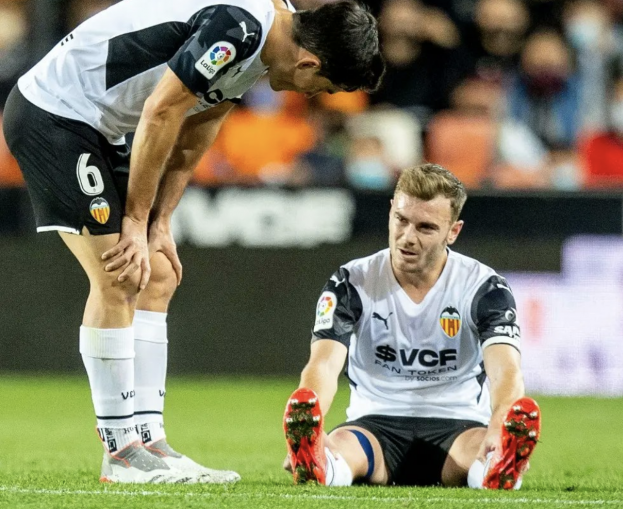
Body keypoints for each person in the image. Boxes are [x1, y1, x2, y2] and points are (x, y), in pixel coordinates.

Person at [2, 0, 384, 485]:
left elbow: (196, 129)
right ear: (309, 62)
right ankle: (121, 453)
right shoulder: (240, 29)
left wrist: (159, 223)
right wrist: (136, 221)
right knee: (121, 274)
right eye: (323, 87)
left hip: (106, 127)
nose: (315, 95)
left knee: (155, 271)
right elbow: (163, 110)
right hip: (55, 114)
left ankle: (150, 442)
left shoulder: (267, 44)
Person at [283, 164, 541, 489]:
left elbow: (506, 370)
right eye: (401, 220)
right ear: (391, 209)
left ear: (453, 232)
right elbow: (322, 363)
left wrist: (500, 422)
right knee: (340, 448)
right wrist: (313, 417)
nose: (407, 237)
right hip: (374, 425)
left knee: (485, 449)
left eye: (425, 227)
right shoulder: (351, 281)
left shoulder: (484, 288)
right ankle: (317, 462)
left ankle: (500, 463)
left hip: (458, 426)